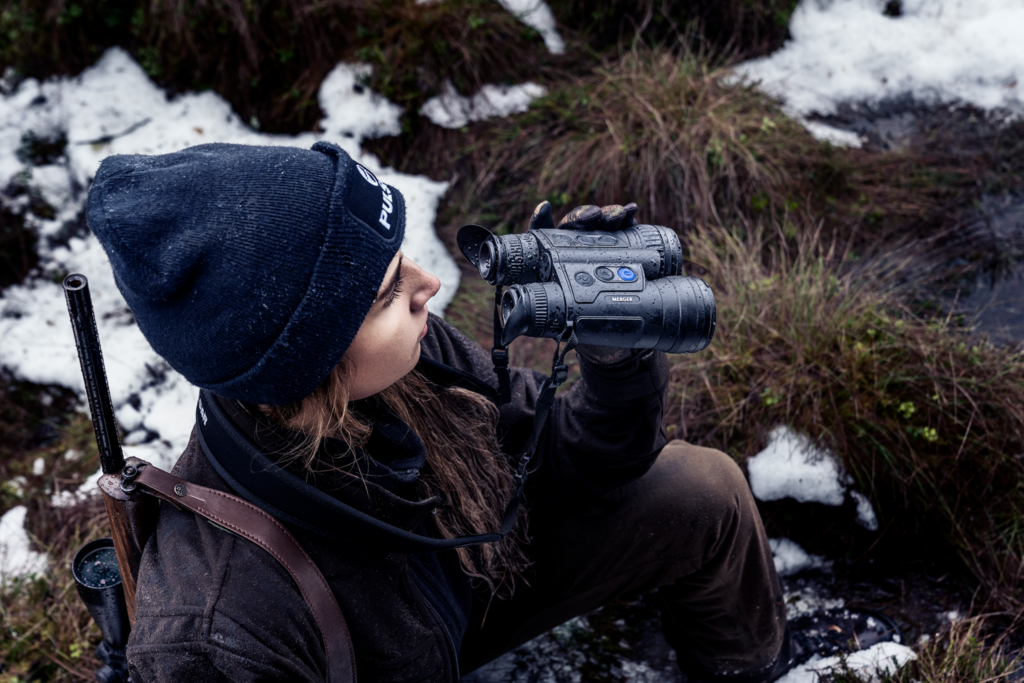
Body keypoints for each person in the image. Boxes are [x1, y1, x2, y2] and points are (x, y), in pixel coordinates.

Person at [86, 141, 896, 682]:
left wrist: (616, 364)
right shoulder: (220, 623)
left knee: (702, 491)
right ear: (312, 366)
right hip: (397, 653)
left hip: (462, 585)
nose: (429, 285)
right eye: (386, 295)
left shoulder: (408, 363)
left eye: (400, 261)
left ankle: (752, 666)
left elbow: (576, 475)